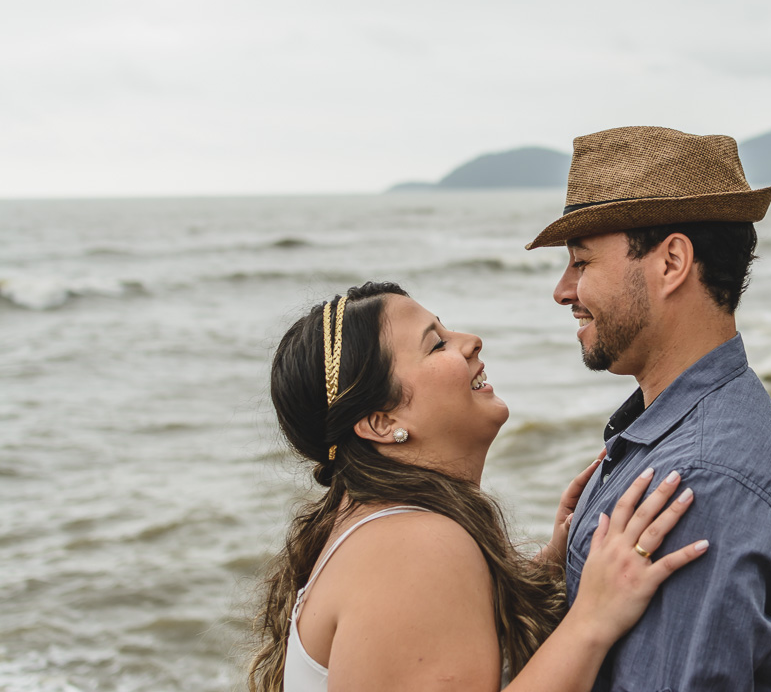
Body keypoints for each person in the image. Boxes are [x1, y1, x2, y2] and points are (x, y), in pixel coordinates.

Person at [247, 281, 709, 692]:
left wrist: (545, 570)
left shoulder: (378, 528)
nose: (470, 342)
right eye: (436, 345)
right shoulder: (410, 548)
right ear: (381, 422)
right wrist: (593, 619)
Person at [525, 126, 771, 691]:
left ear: (671, 263)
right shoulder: (670, 436)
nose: (563, 290)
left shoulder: (702, 485)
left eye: (582, 262)